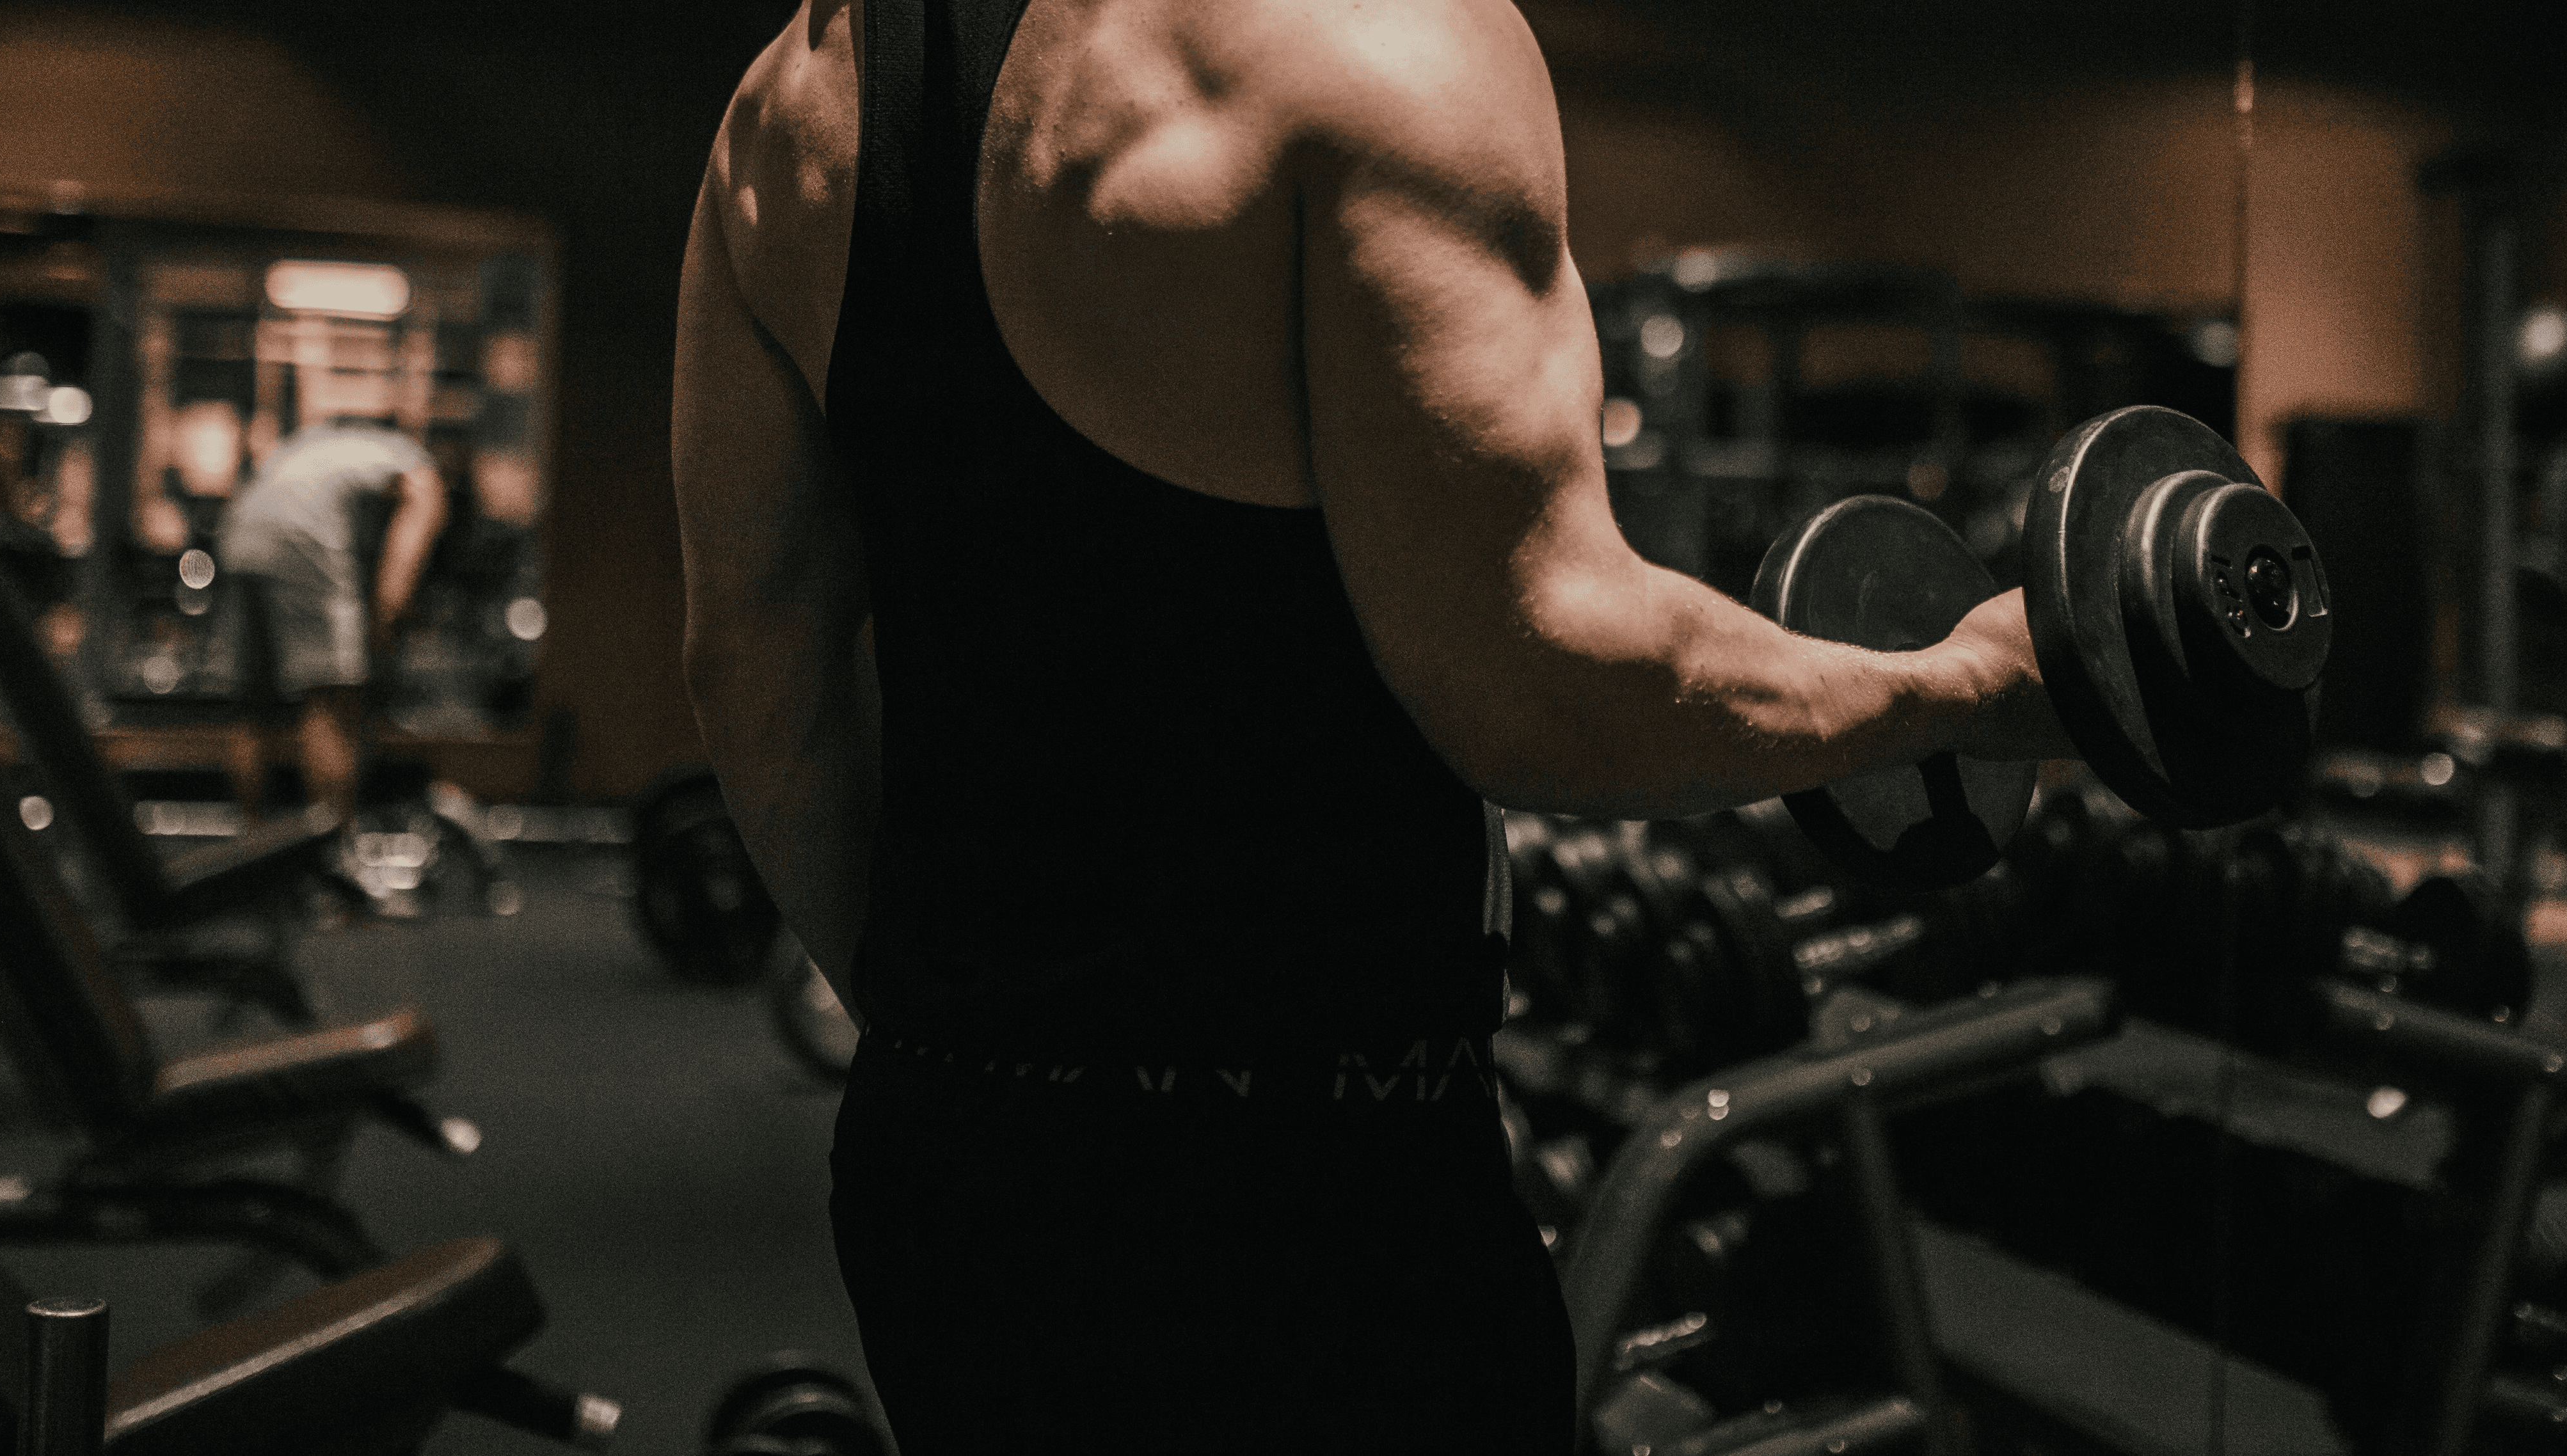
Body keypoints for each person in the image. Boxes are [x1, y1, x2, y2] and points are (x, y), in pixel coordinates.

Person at [671, 1, 2072, 1449]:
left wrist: (962, 1046)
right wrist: (1962, 689)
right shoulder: (1381, 40)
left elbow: (754, 660)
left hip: (950, 1178)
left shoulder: (793, 103)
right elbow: (1547, 687)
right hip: (1316, 1210)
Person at [218, 415, 447, 828]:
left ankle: (249, 841)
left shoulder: (312, 442)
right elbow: (421, 513)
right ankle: (334, 848)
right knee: (332, 701)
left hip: (241, 533)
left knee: (255, 706)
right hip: (302, 534)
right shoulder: (408, 455)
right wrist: (386, 613)